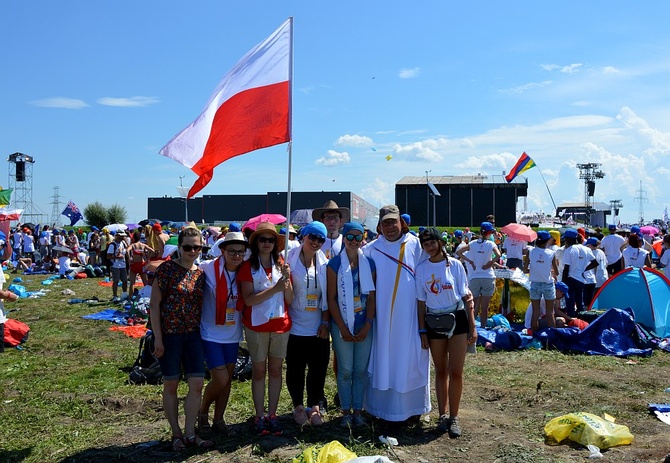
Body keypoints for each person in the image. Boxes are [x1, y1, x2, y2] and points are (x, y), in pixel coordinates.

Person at [363, 205, 430, 423]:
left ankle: (412, 410)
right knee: (384, 359)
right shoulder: (370, 250)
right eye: (385, 223)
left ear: (401, 222)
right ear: (379, 226)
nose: (390, 227)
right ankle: (380, 410)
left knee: (410, 360)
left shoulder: (417, 245)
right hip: (382, 319)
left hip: (411, 318)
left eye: (393, 222)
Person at [149, 227, 213, 451]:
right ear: (179, 247)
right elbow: (154, 305)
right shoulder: (166, 270)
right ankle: (176, 434)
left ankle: (190, 433)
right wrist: (158, 338)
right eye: (188, 247)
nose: (193, 251)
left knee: (196, 384)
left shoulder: (201, 273)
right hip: (170, 335)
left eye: (197, 247)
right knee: (171, 384)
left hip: (193, 335)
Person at [415, 227, 475, 438]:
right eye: (425, 244)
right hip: (434, 322)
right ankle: (442, 414)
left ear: (440, 242)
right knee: (440, 371)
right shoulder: (421, 269)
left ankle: (454, 417)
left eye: (432, 242)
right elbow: (421, 303)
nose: (429, 247)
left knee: (456, 371)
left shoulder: (456, 265)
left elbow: (467, 297)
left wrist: (473, 326)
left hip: (457, 320)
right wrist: (422, 330)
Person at [238, 222, 294, 436]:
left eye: (271, 240)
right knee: (259, 371)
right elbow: (249, 300)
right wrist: (275, 288)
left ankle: (273, 414)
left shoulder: (282, 265)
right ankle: (259, 415)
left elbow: (288, 298)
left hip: (281, 325)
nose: (267, 243)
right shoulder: (247, 267)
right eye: (263, 239)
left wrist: (287, 283)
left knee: (276, 371)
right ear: (256, 242)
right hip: (256, 326)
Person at [198, 231, 248, 435]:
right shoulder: (207, 269)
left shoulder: (246, 272)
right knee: (220, 379)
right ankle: (202, 412)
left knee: (227, 379)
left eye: (241, 252)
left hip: (233, 333)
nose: (237, 255)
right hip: (210, 333)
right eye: (232, 251)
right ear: (222, 251)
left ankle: (219, 419)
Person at [327, 222, 376, 427]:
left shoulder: (369, 263)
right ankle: (345, 411)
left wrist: (367, 324)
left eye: (358, 237)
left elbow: (372, 297)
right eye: (350, 237)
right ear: (344, 238)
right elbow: (331, 299)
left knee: (360, 371)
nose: (354, 241)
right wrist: (342, 327)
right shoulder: (334, 265)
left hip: (363, 324)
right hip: (342, 325)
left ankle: (358, 411)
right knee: (345, 370)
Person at [284, 221, 330, 426]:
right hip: (294, 326)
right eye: (313, 237)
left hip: (317, 327)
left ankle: (314, 405)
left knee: (318, 370)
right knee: (295, 369)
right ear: (304, 236)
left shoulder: (325, 263)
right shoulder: (288, 259)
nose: (316, 242)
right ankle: (298, 406)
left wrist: (325, 322)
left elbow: (329, 296)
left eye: (321, 239)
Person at [456, 222, 501, 330]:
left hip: (475, 277)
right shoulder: (491, 244)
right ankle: (483, 327)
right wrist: (490, 263)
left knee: (472, 305)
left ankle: (470, 326)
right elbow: (498, 255)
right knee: (484, 307)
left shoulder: (473, 243)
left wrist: (470, 260)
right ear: (489, 233)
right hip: (488, 276)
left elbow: (459, 252)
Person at [524, 231, 558, 333]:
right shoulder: (551, 253)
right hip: (548, 283)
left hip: (535, 284)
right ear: (547, 241)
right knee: (550, 312)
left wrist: (534, 270)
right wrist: (548, 270)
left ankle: (535, 336)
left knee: (535, 312)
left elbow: (525, 270)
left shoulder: (530, 252)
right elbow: (556, 272)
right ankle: (552, 336)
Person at [562, 229, 598, 317]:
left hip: (571, 279)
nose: (565, 242)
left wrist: (563, 283)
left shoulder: (569, 250)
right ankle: (581, 321)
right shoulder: (586, 249)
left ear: (568, 239)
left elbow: (566, 269)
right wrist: (584, 269)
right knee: (580, 303)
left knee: (570, 303)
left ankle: (571, 322)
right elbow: (595, 263)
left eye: (566, 239)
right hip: (581, 280)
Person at [127, 231, 155, 298]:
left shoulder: (133, 245)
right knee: (145, 283)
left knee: (132, 283)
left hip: (134, 264)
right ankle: (147, 296)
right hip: (142, 264)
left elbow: (127, 250)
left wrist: (129, 259)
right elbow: (153, 251)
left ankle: (130, 298)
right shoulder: (143, 245)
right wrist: (148, 258)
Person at [584, 237, 608, 305]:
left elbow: (594, 267)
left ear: (591, 245)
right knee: (601, 298)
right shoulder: (601, 252)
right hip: (604, 277)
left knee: (594, 299)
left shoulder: (591, 253)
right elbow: (606, 263)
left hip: (596, 278)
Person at [107, 231, 129, 302]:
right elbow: (108, 256)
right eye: (122, 236)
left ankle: (124, 294)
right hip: (115, 265)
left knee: (125, 280)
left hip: (123, 265)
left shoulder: (123, 243)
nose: (123, 237)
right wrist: (117, 257)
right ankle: (115, 296)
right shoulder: (112, 245)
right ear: (118, 236)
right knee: (116, 281)